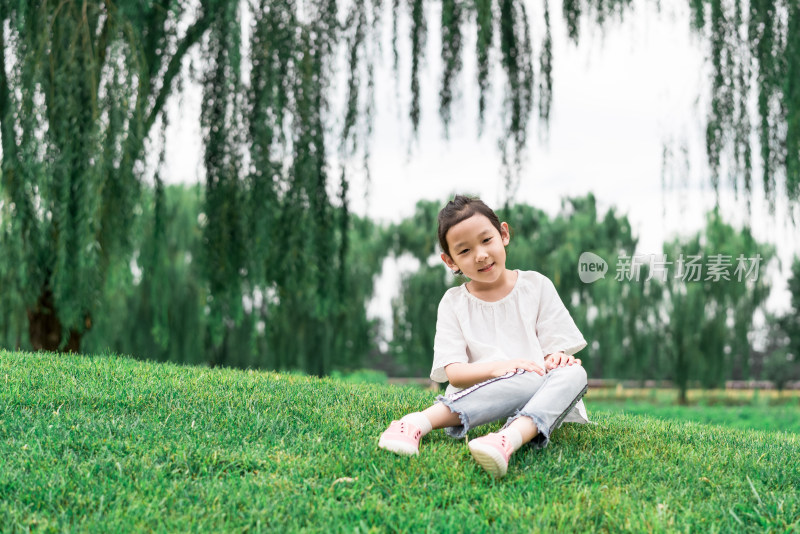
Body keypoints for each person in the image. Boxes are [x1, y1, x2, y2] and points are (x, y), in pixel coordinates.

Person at [378, 195, 589, 478]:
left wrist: (558, 359)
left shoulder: (536, 286)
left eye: (486, 240)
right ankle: (415, 422)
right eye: (464, 251)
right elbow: (454, 373)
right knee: (529, 375)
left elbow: (552, 354)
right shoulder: (454, 302)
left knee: (576, 373)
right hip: (483, 395)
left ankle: (506, 439)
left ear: (503, 234)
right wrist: (499, 368)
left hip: (537, 392)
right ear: (449, 261)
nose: (480, 255)